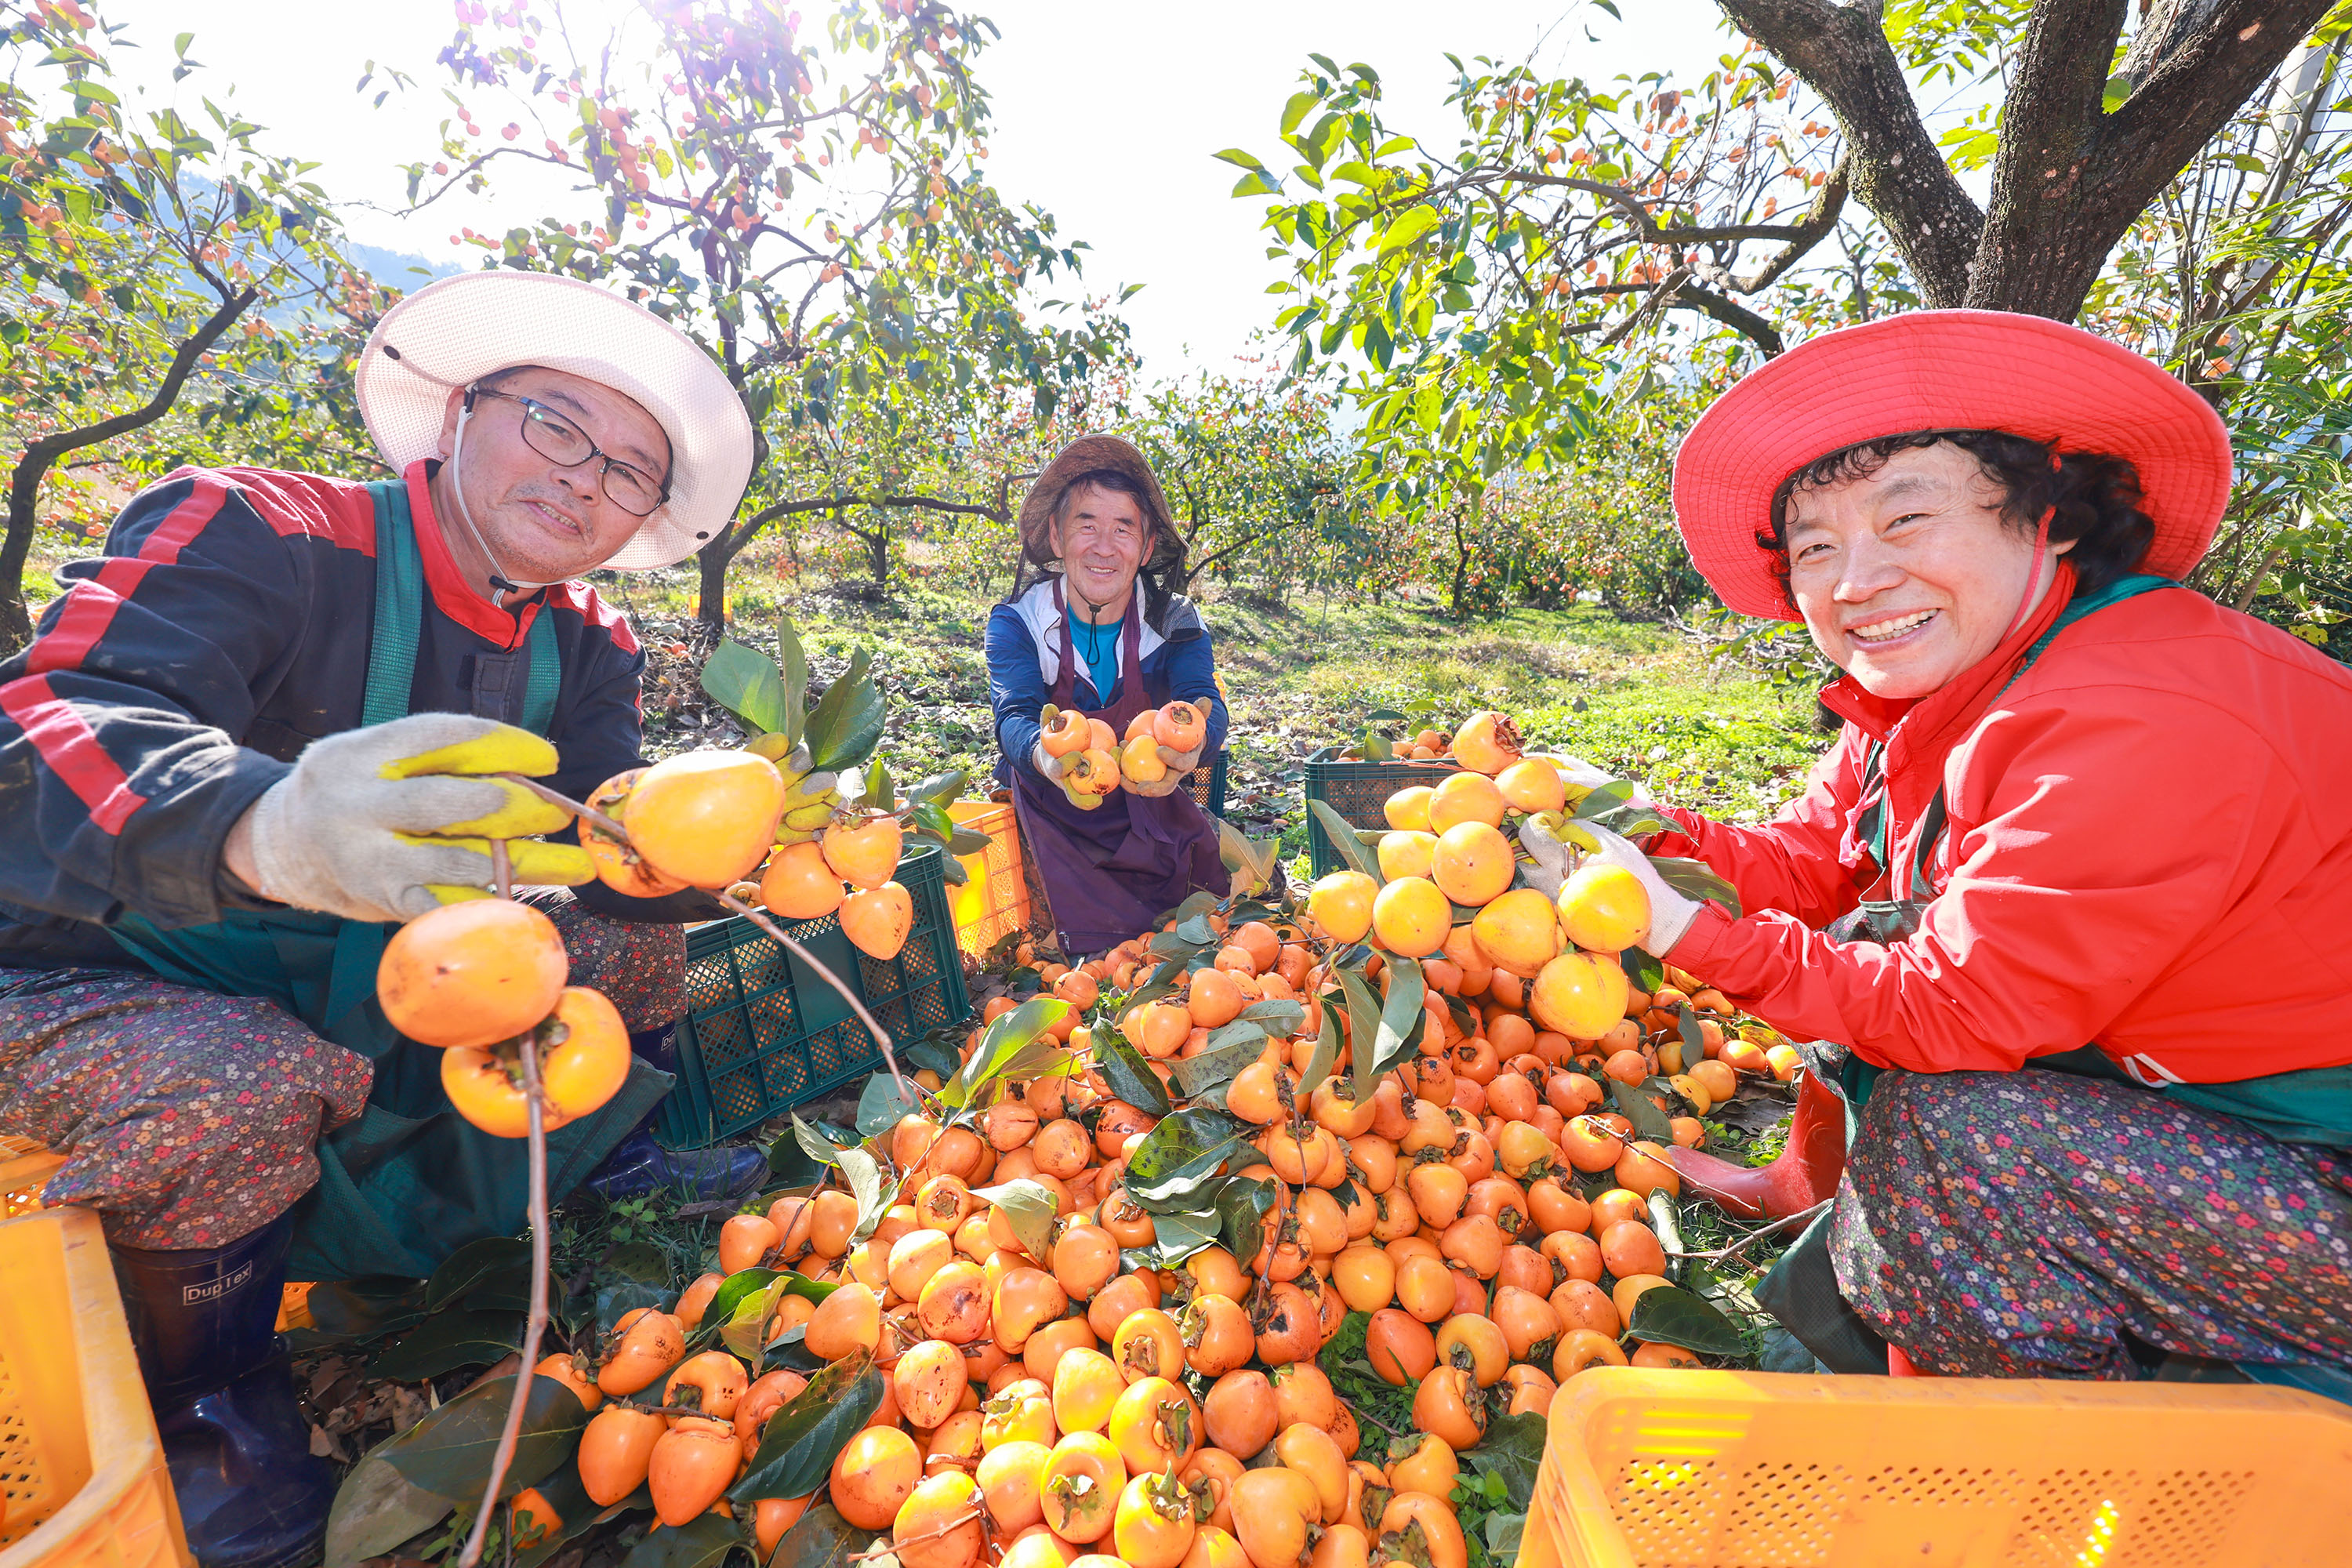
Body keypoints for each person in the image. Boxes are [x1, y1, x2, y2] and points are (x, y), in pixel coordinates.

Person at [0, 270, 767, 1566]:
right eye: (556, 424)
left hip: (386, 967)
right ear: (462, 412)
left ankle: (601, 1162)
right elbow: (52, 724)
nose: (584, 479)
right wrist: (263, 822)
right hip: (105, 961)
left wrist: (697, 861)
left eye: (628, 471)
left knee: (630, 943)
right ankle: (209, 1408)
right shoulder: (255, 526)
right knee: (226, 1083)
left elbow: (598, 837)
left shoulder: (590, 646)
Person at [1572, 310, 2352, 1390]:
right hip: (2188, 1094)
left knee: (1959, 1142)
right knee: (1862, 940)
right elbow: (1813, 870)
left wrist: (1680, 929)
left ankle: (2073, 1461)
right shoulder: (1939, 693)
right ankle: (1816, 1193)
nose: (1853, 583)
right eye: (1816, 548)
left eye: (1907, 519)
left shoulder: (2147, 714)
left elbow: (1956, 1012)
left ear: (2051, 523)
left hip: (2320, 1171)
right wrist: (1631, 827)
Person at [985, 435, 1230, 956]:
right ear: (1056, 535)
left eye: (1123, 529)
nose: (1103, 546)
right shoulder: (1019, 624)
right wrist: (1046, 757)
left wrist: (1192, 749)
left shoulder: (1175, 623)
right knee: (1056, 949)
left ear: (1145, 549)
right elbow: (1013, 717)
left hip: (1150, 818)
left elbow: (1204, 700)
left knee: (1200, 931)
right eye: (1086, 524)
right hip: (1053, 820)